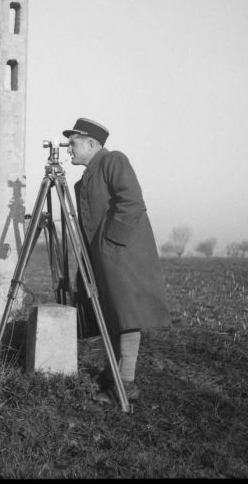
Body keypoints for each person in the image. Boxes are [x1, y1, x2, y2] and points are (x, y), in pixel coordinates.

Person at [62, 118, 170, 402]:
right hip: (104, 257)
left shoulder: (113, 160)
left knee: (126, 315)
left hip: (121, 256)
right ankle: (114, 375)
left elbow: (132, 201)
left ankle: (126, 384)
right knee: (111, 314)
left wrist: (111, 243)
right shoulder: (86, 176)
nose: (68, 149)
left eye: (72, 143)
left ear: (91, 143)